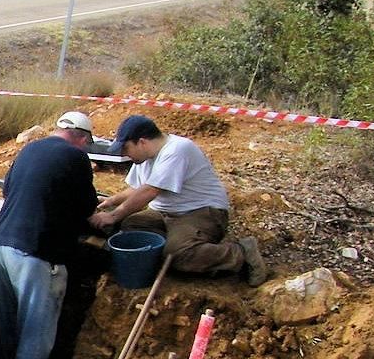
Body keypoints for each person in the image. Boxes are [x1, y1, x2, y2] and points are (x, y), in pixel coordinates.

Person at [0, 109, 101, 359]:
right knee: (35, 336)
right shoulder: (76, 158)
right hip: (40, 253)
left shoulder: (30, 148)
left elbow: (8, 190)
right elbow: (87, 208)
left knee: (8, 326)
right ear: (82, 138)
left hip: (5, 244)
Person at [90, 115, 268, 286]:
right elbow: (137, 188)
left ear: (142, 142)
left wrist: (113, 216)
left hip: (201, 212)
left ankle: (242, 252)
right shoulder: (144, 158)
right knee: (130, 226)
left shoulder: (177, 150)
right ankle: (173, 246)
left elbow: (150, 190)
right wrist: (110, 201)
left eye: (126, 148)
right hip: (165, 213)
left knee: (177, 255)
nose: (125, 154)